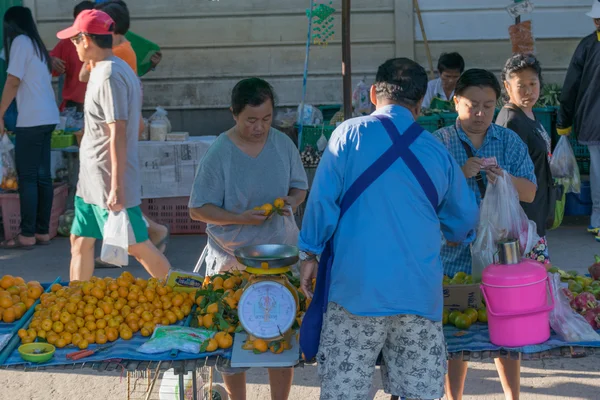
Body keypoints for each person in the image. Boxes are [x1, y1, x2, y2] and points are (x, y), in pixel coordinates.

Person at [298, 58, 479, 400]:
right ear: (421, 103)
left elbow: (321, 202)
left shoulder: (348, 134)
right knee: (419, 394)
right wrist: (456, 236)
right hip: (418, 296)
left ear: (372, 95)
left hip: (355, 293)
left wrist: (310, 253)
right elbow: (464, 219)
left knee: (344, 393)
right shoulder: (436, 151)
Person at [189, 78, 308, 400]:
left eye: (266, 119)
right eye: (251, 120)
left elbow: (300, 186)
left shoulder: (282, 144)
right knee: (230, 339)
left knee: (282, 336)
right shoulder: (219, 153)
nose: (260, 128)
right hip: (232, 258)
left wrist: (293, 202)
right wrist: (240, 218)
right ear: (234, 114)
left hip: (282, 255)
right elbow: (198, 209)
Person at [433, 69, 537, 400]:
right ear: (456, 102)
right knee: (456, 336)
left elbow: (531, 192)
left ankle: (513, 396)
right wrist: (460, 175)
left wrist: (503, 177)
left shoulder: (508, 140)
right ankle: (455, 397)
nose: (479, 114)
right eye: (472, 105)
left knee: (505, 329)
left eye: (488, 106)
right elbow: (424, 198)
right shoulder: (439, 143)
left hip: (501, 257)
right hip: (452, 256)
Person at [56, 9, 171, 280]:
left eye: (75, 40)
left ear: (86, 39)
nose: (72, 46)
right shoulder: (104, 68)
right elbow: (85, 78)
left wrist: (117, 188)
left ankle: (187, 294)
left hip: (109, 180)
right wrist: (90, 58)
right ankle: (75, 301)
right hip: (92, 180)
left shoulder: (110, 75)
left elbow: (117, 132)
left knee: (136, 245)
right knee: (80, 240)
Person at [0, 6, 60, 249]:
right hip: (47, 117)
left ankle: (26, 234)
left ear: (11, 25)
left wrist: (0, 113)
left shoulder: (20, 43)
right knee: (43, 176)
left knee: (28, 178)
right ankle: (42, 231)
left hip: (32, 119)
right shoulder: (36, 45)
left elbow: (13, 81)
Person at [496, 54, 552, 264]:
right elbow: (506, 176)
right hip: (522, 221)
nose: (528, 91)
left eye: (533, 83)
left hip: (536, 213)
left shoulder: (528, 114)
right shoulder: (512, 122)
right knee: (531, 278)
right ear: (507, 87)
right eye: (521, 85)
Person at [557, 0, 600, 240]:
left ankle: (598, 219)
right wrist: (564, 122)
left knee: (598, 172)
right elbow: (572, 86)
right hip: (595, 121)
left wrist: (564, 122)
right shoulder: (588, 45)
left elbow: (571, 86)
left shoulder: (587, 45)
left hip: (594, 121)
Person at [50, 1, 95, 112]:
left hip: (99, 102)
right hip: (74, 106)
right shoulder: (67, 42)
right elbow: (47, 66)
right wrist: (50, 60)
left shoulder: (108, 42)